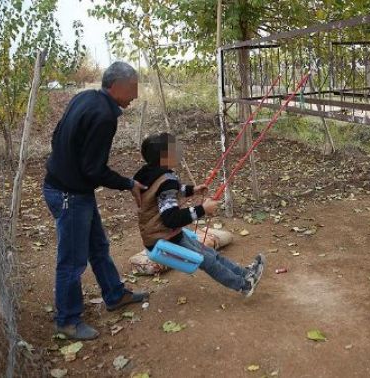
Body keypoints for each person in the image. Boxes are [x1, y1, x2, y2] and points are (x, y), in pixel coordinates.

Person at [43, 62, 148, 340]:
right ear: (115, 86)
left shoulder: (84, 96)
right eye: (132, 89)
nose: (135, 96)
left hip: (69, 189)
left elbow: (57, 136)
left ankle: (114, 295)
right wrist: (128, 183)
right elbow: (94, 170)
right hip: (70, 195)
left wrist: (67, 166)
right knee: (72, 261)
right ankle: (67, 320)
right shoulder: (104, 116)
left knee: (98, 246)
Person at [133, 133, 265, 297]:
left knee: (210, 254)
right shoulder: (166, 182)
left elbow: (170, 191)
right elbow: (171, 218)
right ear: (164, 157)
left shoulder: (149, 174)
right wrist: (203, 209)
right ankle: (243, 285)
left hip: (167, 234)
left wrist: (192, 190)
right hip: (163, 237)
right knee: (207, 261)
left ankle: (244, 273)